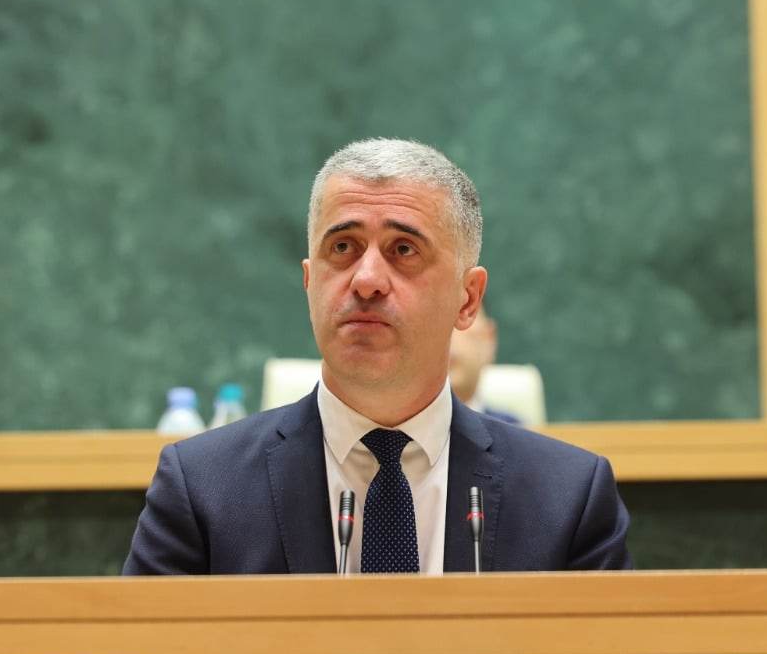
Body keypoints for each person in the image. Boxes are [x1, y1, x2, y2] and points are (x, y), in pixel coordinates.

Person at [122, 138, 632, 574]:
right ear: (309, 283)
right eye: (343, 248)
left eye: (403, 250)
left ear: (468, 299)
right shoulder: (201, 490)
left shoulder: (568, 501)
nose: (366, 280)